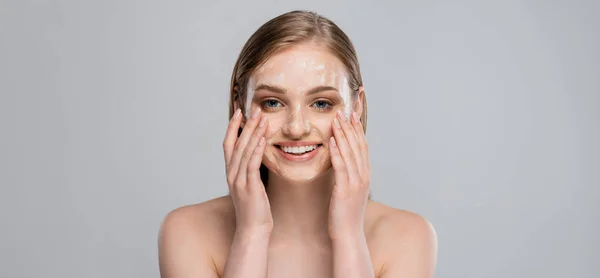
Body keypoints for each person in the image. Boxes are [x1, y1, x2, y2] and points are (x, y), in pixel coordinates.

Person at [158, 10, 437, 278]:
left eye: (321, 103)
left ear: (357, 107)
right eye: (272, 102)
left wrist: (349, 235)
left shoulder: (409, 237)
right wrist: (252, 232)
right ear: (240, 106)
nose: (296, 127)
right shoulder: (187, 232)